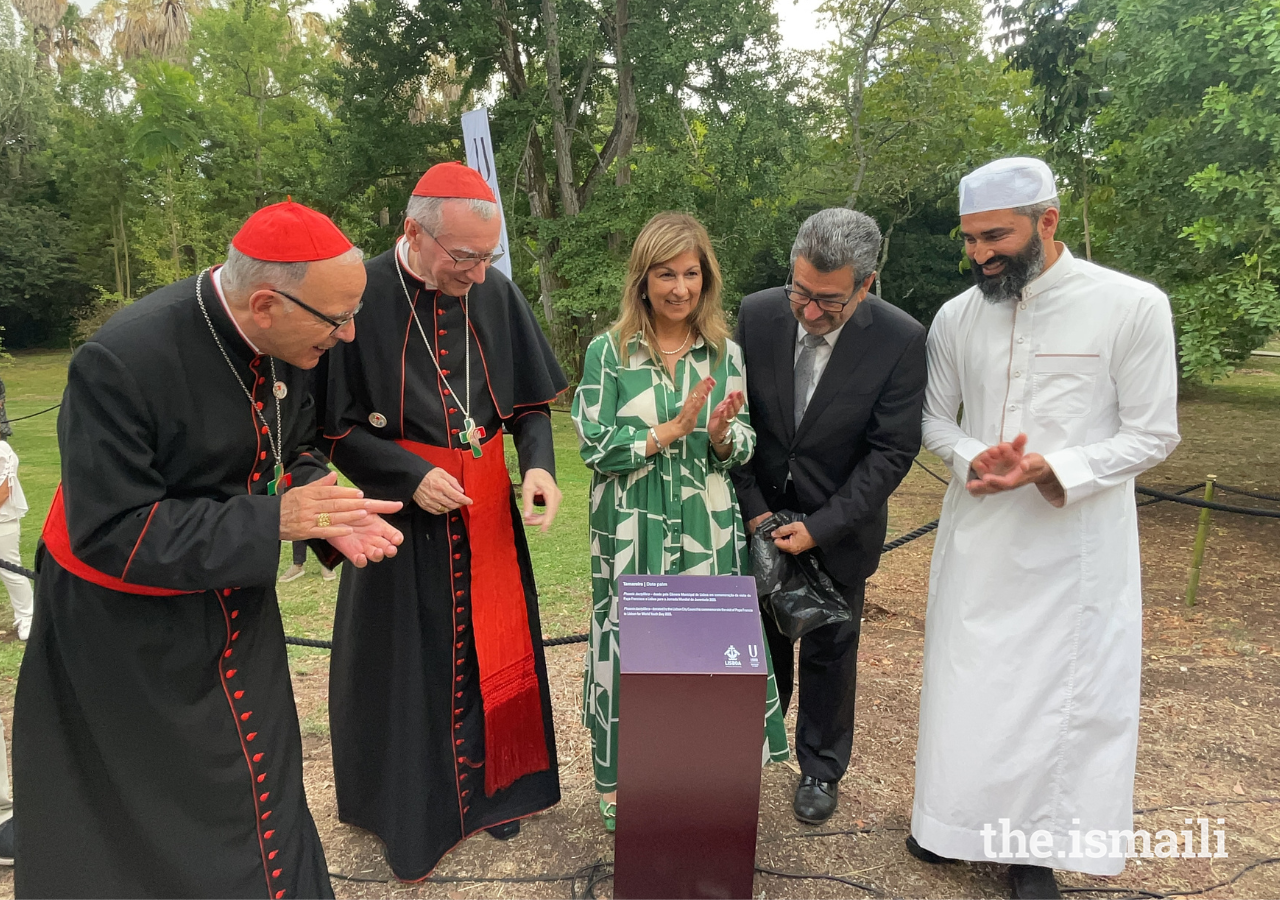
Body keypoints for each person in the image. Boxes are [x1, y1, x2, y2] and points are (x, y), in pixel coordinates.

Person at [13, 200, 405, 899]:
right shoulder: (122, 360)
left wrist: (323, 507)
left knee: (266, 794)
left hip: (234, 605)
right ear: (264, 304)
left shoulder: (296, 340)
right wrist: (275, 522)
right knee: (167, 825)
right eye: (336, 319)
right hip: (131, 640)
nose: (348, 336)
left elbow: (298, 441)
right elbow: (111, 532)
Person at [908, 157, 1180, 900]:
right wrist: (976, 456)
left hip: (1076, 547)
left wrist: (1049, 466)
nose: (979, 255)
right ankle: (948, 823)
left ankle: (1032, 849)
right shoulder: (957, 316)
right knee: (968, 687)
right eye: (968, 240)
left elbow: (1154, 434)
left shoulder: (1132, 306)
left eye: (995, 236)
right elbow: (934, 418)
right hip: (979, 535)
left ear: (1047, 221)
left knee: (1054, 699)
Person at [322, 162, 567, 881]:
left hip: (486, 506)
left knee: (492, 648)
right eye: (465, 259)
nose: (480, 276)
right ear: (414, 234)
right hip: (400, 520)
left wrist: (540, 467)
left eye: (489, 258)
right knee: (407, 666)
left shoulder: (494, 290)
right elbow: (328, 428)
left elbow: (527, 406)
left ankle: (500, 790)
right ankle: (411, 811)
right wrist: (407, 473)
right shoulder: (358, 298)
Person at [572, 212, 790, 831]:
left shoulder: (726, 353)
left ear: (707, 278)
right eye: (665, 274)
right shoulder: (607, 353)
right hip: (629, 526)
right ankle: (618, 786)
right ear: (643, 280)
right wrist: (669, 430)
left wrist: (721, 435)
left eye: (690, 273)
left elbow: (746, 443)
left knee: (701, 655)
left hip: (707, 527)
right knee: (626, 649)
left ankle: (698, 774)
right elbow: (593, 444)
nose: (679, 288)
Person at [730, 208, 927, 825]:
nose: (809, 313)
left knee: (830, 651)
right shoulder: (758, 313)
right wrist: (756, 512)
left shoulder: (900, 339)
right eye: (801, 292)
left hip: (838, 525)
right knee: (756, 645)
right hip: (757, 515)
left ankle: (819, 764)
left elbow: (892, 449)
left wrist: (822, 526)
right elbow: (741, 425)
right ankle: (757, 749)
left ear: (866, 284)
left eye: (829, 302)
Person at [0, 439, 33, 640]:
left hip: (3, 521)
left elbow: (4, 491)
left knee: (10, 569)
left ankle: (27, 616)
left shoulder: (2, 450)